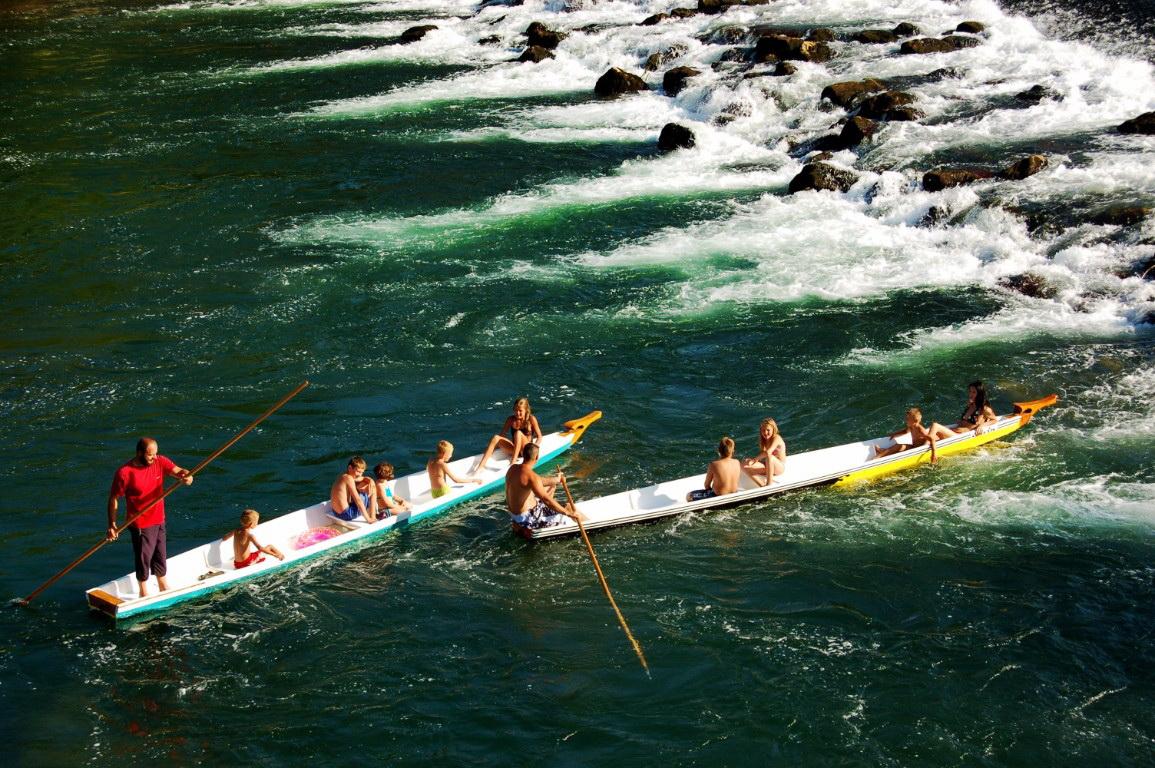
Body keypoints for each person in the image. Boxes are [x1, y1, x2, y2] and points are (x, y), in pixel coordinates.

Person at [106, 437, 194, 598]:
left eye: (155, 454)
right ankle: (143, 591)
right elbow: (114, 499)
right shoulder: (124, 473)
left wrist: (187, 476)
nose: (154, 458)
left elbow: (179, 471)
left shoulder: (159, 461)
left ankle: (163, 585)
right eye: (150, 455)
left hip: (159, 518)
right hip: (140, 523)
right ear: (139, 453)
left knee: (160, 553)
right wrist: (112, 524)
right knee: (143, 557)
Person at [505, 443, 577, 529]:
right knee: (568, 507)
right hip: (528, 519)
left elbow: (539, 481)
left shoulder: (512, 468)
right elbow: (547, 500)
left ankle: (548, 512)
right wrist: (568, 513)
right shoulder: (531, 477)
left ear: (523, 454)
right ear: (537, 457)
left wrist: (557, 479)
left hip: (515, 515)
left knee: (552, 485)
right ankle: (586, 523)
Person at [472, 397, 542, 474]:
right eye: (515, 410)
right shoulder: (511, 419)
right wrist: (493, 448)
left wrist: (534, 449)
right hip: (515, 449)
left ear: (526, 410)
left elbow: (539, 436)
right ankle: (480, 467)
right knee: (496, 437)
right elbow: (502, 435)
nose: (517, 413)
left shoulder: (531, 419)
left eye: (520, 411)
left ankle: (513, 462)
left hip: (526, 451)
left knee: (518, 433)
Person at [873, 407, 955, 463]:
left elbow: (932, 439)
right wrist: (894, 434)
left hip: (920, 448)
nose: (906, 420)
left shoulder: (920, 429)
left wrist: (934, 453)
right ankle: (881, 453)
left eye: (908, 419)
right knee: (899, 446)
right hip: (914, 446)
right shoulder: (911, 426)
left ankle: (877, 459)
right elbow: (905, 431)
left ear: (915, 421)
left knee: (900, 449)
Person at [686, 436, 742, 502]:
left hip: (718, 497)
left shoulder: (714, 464)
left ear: (719, 450)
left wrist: (711, 490)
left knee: (689, 495)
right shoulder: (737, 462)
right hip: (734, 494)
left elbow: (706, 485)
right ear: (733, 450)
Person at [330, 456, 379, 523]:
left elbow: (359, 478)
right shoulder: (349, 478)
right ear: (350, 468)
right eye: (358, 471)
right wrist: (368, 519)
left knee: (369, 482)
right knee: (372, 486)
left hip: (336, 513)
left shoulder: (343, 475)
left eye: (362, 472)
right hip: (347, 514)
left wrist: (368, 479)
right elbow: (358, 500)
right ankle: (373, 517)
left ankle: (372, 513)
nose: (360, 474)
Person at [741, 418, 786, 487]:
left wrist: (754, 460)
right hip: (768, 465)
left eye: (768, 430)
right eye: (763, 430)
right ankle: (761, 485)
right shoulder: (764, 440)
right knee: (744, 463)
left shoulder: (777, 438)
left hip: (779, 468)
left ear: (773, 429)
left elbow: (768, 452)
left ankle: (769, 484)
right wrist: (751, 462)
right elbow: (763, 455)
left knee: (769, 456)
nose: (765, 432)